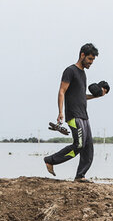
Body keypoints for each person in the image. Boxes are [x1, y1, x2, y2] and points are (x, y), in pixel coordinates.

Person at [45, 42, 108, 181]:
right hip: (73, 115)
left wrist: (97, 96)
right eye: (90, 59)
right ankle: (50, 160)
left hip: (84, 115)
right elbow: (62, 91)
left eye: (93, 60)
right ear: (82, 55)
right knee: (79, 144)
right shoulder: (70, 71)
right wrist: (60, 112)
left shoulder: (83, 74)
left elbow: (81, 96)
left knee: (88, 149)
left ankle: (80, 176)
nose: (91, 62)